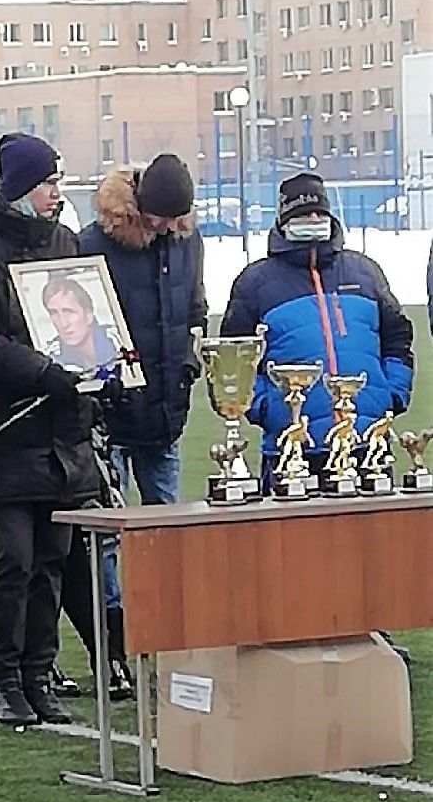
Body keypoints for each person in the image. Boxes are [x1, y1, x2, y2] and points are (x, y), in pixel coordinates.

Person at [0, 132, 102, 727]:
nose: (56, 193)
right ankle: (4, 678)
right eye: (46, 182)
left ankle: (40, 672)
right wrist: (42, 371)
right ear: (18, 187)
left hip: (64, 426)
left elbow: (88, 314)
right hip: (6, 425)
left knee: (55, 557)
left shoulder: (64, 241)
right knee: (14, 556)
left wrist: (103, 362)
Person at [58, 153, 207, 702]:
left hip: (167, 408)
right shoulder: (92, 243)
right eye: (161, 217)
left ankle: (167, 631)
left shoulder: (187, 242)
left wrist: (189, 360)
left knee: (169, 524)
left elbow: (194, 306)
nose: (168, 227)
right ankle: (117, 642)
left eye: (176, 219)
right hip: (111, 411)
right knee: (110, 538)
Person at [220, 170, 413, 480]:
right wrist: (270, 410)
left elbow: (397, 339)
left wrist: (390, 395)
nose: (312, 219)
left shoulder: (365, 272)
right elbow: (235, 359)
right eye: (303, 213)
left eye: (318, 212)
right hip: (292, 449)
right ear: (283, 220)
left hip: (367, 444)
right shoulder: (254, 283)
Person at [41, 274, 120, 372]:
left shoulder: (118, 340)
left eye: (69, 312)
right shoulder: (51, 357)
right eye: (54, 313)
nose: (63, 323)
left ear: (88, 315)